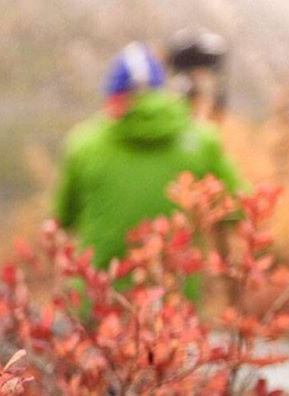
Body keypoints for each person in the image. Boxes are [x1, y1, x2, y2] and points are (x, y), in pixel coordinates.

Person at [54, 42, 243, 297]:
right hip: (174, 315)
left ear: (113, 97)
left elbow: (62, 220)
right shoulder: (203, 140)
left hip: (98, 304)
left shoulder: (84, 143)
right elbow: (238, 209)